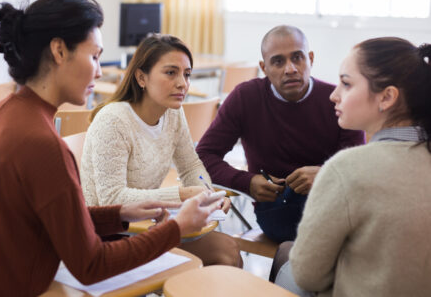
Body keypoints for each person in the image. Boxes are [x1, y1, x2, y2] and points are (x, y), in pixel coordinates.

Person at [0, 0, 220, 296]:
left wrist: (121, 214)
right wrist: (176, 228)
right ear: (59, 50)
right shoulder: (42, 144)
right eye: (94, 56)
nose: (98, 70)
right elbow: (91, 265)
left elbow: (53, 220)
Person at [274, 37, 431, 297]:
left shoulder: (345, 169)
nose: (334, 95)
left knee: (288, 264)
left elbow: (307, 275)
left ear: (387, 97)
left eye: (346, 84)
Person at [81, 34, 242, 267]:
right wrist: (181, 195)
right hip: (110, 234)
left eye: (187, 74)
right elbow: (111, 200)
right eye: (171, 72)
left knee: (229, 248)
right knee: (224, 254)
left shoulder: (173, 112)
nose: (182, 83)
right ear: (141, 77)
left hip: (147, 222)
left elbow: (191, 167)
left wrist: (207, 194)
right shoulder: (113, 120)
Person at [196, 25, 365, 242]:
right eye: (278, 61)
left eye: (297, 58)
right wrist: (247, 182)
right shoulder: (245, 97)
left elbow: (359, 166)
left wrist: (325, 175)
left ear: (310, 59)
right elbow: (203, 156)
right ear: (263, 67)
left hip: (333, 202)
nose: (290, 69)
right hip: (276, 210)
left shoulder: (337, 99)